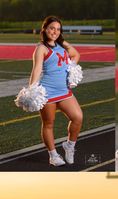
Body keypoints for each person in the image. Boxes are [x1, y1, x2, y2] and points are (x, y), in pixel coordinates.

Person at [30, 16, 83, 166]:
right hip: (48, 92)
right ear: (45, 29)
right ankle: (53, 155)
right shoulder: (41, 48)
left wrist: (71, 68)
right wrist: (32, 90)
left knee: (77, 117)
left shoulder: (61, 44)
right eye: (52, 28)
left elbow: (76, 54)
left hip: (64, 90)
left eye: (58, 29)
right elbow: (37, 69)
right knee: (48, 124)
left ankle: (69, 145)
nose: (55, 31)